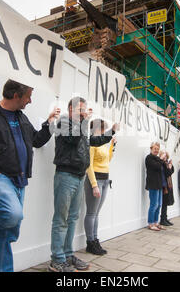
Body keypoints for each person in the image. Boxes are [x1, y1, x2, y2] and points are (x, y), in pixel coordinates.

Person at [0, 79, 60, 272]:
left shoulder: (22, 118)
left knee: (7, 232)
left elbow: (36, 140)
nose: (30, 101)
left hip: (19, 179)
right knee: (12, 215)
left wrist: (49, 122)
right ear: (16, 95)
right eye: (28, 96)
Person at [49, 97, 119, 272]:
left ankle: (67, 255)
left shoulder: (81, 127)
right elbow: (72, 140)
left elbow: (93, 141)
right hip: (66, 175)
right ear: (70, 109)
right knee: (61, 219)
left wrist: (111, 132)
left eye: (85, 109)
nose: (83, 112)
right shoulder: (63, 122)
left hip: (79, 177)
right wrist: (86, 120)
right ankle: (57, 260)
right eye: (80, 109)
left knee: (72, 218)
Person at [84, 119, 117, 255]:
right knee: (91, 213)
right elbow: (89, 165)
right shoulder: (92, 143)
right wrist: (94, 185)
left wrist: (112, 146)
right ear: (98, 128)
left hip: (105, 179)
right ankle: (90, 242)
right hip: (96, 180)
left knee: (96, 213)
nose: (105, 131)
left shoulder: (102, 143)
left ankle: (95, 240)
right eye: (104, 129)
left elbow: (107, 160)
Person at [160, 152, 175, 226]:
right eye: (164, 156)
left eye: (166, 156)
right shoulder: (162, 163)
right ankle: (162, 219)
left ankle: (165, 218)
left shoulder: (165, 163)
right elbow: (168, 173)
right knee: (164, 203)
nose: (165, 157)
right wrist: (169, 167)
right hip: (164, 186)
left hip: (168, 185)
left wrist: (170, 166)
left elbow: (171, 171)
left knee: (165, 203)